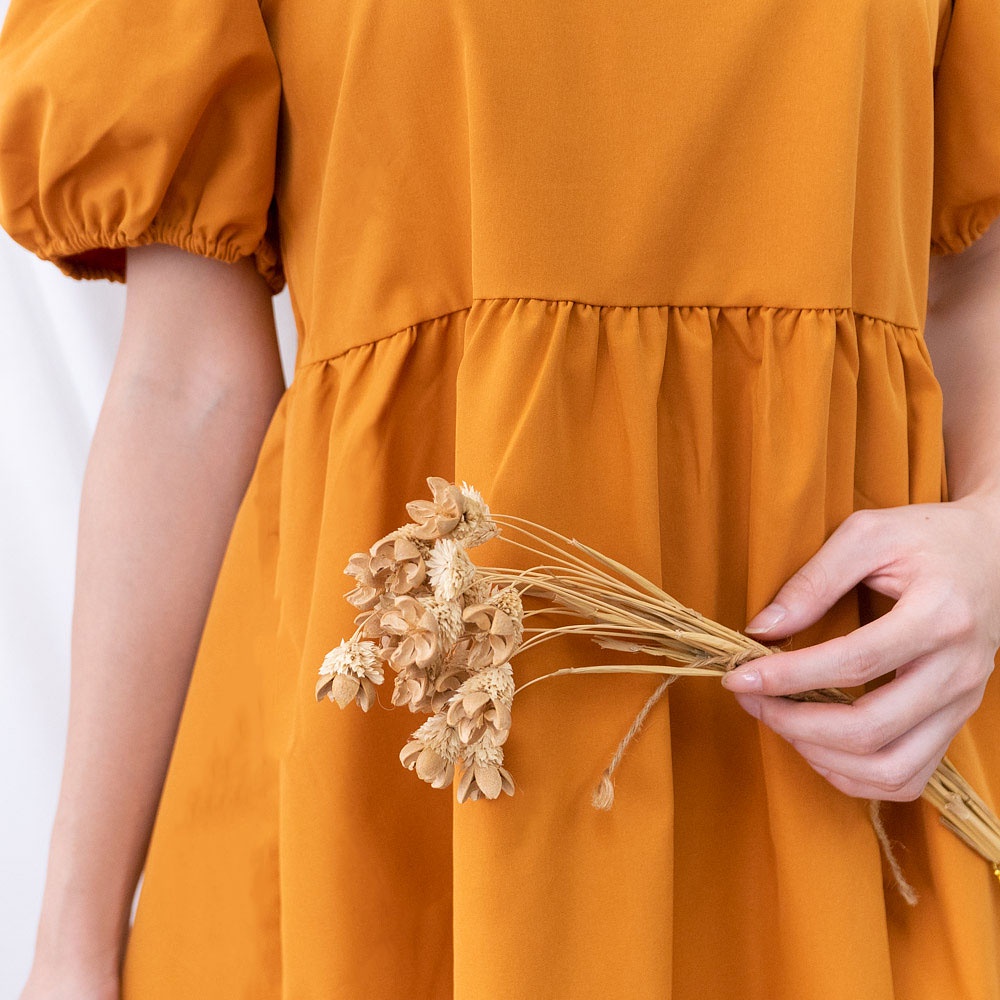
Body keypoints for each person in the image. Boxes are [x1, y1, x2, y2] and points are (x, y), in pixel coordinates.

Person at [2, 1, 999, 998]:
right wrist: (71, 948)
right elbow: (185, 383)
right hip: (393, 787)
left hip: (844, 751)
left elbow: (977, 276)